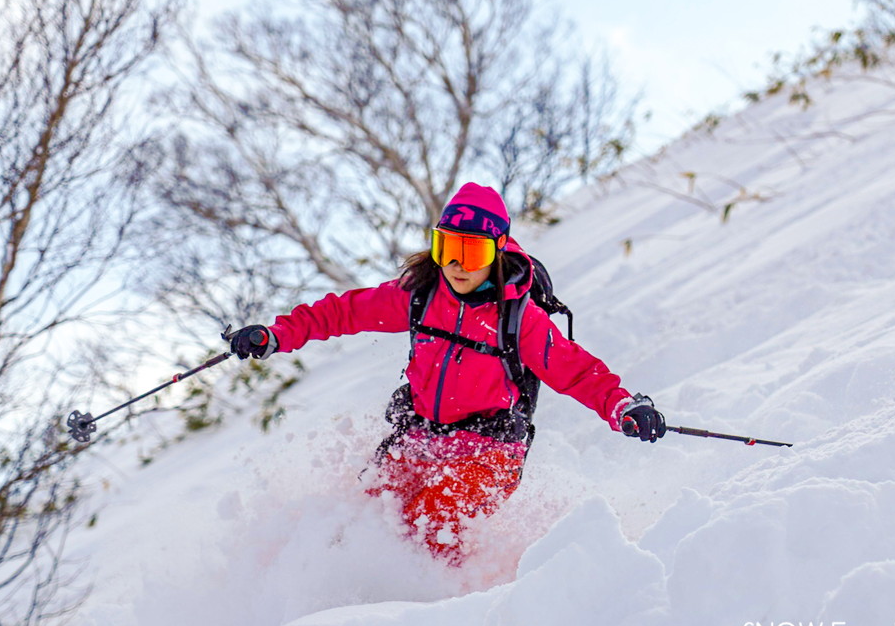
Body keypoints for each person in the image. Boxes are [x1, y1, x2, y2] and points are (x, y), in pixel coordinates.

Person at [228, 182, 665, 565]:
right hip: (420, 436)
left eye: (471, 251)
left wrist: (624, 405)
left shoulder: (520, 318)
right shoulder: (419, 296)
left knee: (430, 524)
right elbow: (342, 313)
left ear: (497, 250)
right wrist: (276, 334)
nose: (457, 264)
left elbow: (577, 371)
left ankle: (431, 617)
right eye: (447, 248)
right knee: (367, 522)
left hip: (490, 450)